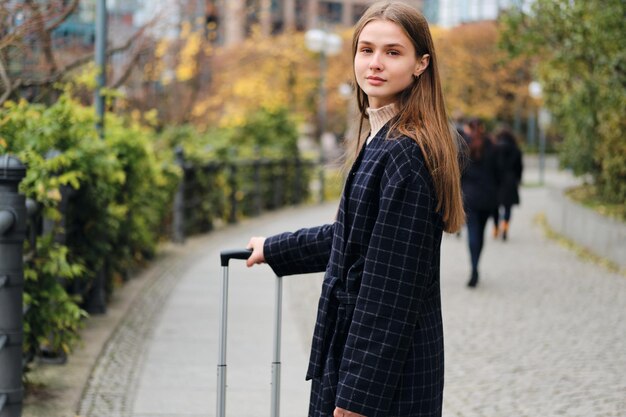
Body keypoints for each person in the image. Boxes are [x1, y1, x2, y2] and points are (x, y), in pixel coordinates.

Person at [246, 2, 465, 416]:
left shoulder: (404, 153)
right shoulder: (385, 138)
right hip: (371, 363)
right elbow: (352, 237)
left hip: (384, 381)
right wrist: (274, 248)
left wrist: (356, 401)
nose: (375, 63)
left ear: (421, 64)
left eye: (392, 52)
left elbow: (391, 291)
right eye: (366, 50)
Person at [460, 118, 500, 287]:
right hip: (488, 197)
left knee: (472, 233)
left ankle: (473, 266)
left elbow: (459, 171)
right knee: (481, 233)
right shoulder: (491, 146)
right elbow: (499, 172)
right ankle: (477, 265)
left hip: (470, 197)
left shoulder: (465, 145)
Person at [493, 127, 523, 241]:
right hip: (510, 180)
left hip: (497, 181)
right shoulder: (516, 150)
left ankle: (496, 227)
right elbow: (519, 167)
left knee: (495, 206)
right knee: (508, 207)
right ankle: (505, 226)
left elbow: (492, 165)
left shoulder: (495, 148)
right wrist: (518, 179)